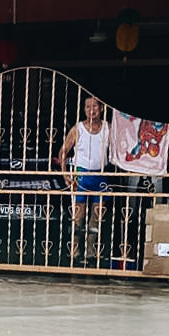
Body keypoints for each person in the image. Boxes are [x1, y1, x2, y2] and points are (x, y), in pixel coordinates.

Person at [58, 95, 110, 262]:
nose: (91, 110)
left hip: (100, 175)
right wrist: (65, 173)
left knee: (97, 216)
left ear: (101, 108)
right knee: (78, 215)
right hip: (81, 175)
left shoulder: (108, 128)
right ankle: (75, 251)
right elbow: (63, 152)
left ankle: (90, 251)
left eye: (95, 106)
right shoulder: (78, 128)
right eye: (88, 107)